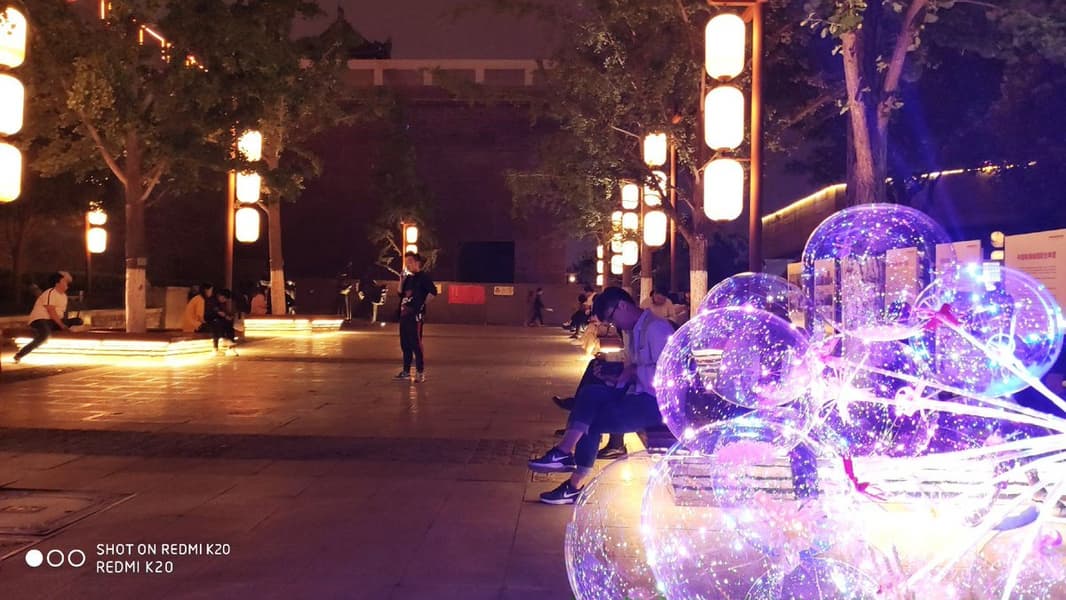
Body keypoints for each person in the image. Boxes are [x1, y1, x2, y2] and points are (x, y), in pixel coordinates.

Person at [529, 287, 674, 504]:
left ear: (622, 306)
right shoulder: (635, 330)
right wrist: (615, 377)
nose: (614, 324)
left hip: (656, 403)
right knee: (591, 393)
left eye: (612, 318)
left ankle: (573, 483)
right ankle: (564, 453)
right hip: (638, 393)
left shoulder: (657, 328)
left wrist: (633, 372)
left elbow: (668, 376)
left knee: (592, 421)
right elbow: (632, 367)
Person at [12, 271, 83, 363]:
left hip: (53, 321)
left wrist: (65, 323)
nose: (67, 283)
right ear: (57, 283)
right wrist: (62, 325)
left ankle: (57, 328)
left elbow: (60, 314)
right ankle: (20, 355)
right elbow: (51, 311)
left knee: (78, 321)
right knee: (44, 335)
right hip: (41, 320)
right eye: (64, 281)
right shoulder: (50, 292)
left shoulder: (64, 296)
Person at [394, 252, 437, 383]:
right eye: (406, 262)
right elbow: (400, 293)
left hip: (415, 317)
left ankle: (420, 372)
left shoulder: (423, 277)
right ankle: (406, 371)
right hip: (404, 316)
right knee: (405, 344)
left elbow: (433, 292)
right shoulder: (408, 278)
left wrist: (421, 305)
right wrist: (401, 280)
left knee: (416, 344)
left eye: (410, 261)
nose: (408, 264)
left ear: (417, 263)